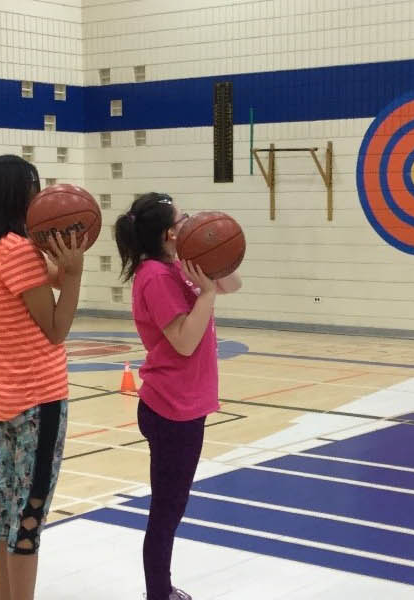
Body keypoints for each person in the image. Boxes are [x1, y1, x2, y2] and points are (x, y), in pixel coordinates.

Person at [0, 155, 85, 600]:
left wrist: (59, 260)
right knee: (29, 519)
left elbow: (42, 275)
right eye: (33, 188)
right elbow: (56, 329)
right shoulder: (17, 250)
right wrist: (74, 277)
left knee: (3, 512)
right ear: (16, 195)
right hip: (40, 400)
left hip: (5, 401)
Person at [112, 192, 241, 600]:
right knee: (166, 513)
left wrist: (216, 256)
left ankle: (161, 590)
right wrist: (205, 295)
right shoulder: (155, 276)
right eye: (184, 218)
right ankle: (158, 594)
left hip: (187, 406)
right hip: (171, 410)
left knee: (171, 508)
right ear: (169, 231)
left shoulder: (178, 265)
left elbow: (233, 283)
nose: (190, 221)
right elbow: (184, 341)